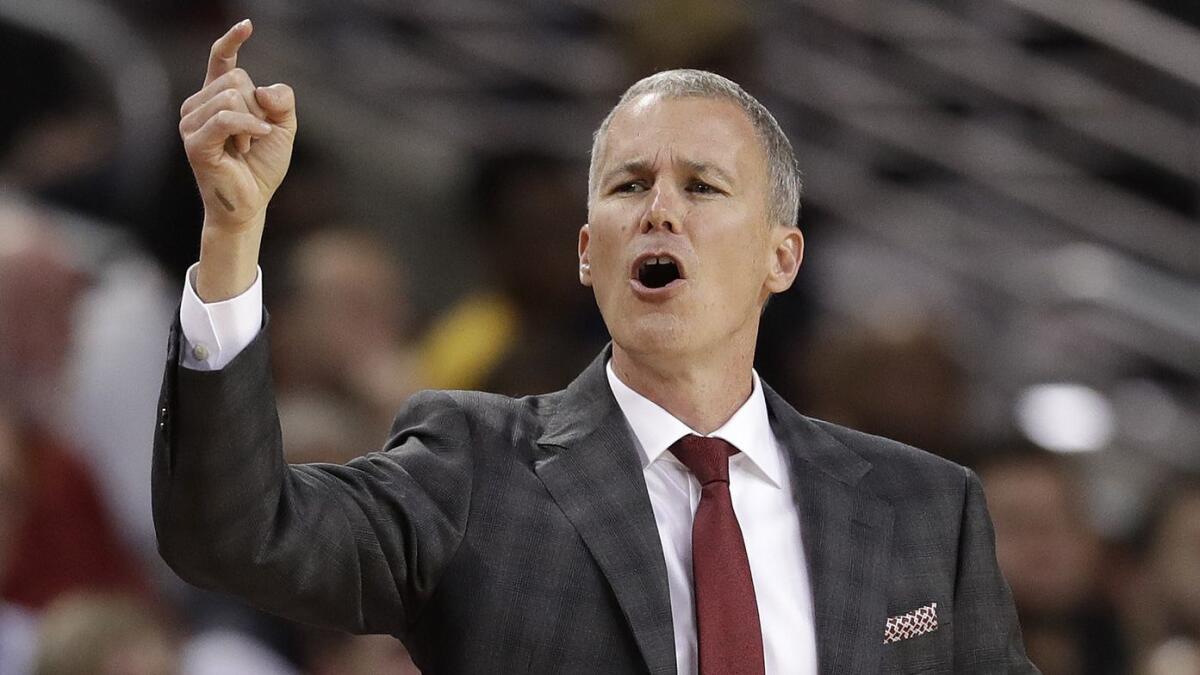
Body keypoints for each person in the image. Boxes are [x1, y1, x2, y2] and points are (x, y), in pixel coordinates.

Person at [153, 19, 1037, 674]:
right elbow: (238, 535)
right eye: (628, 185)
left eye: (702, 186)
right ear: (588, 251)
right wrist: (232, 239)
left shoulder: (928, 510)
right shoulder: (473, 467)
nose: (659, 209)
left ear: (782, 255)